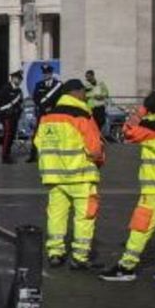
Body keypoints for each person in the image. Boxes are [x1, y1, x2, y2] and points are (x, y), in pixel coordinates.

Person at [100, 90, 155, 283]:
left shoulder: (153, 127)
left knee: (141, 226)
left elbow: (127, 131)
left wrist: (141, 111)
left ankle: (127, 266)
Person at [34, 77, 103, 269]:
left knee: (56, 215)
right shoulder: (82, 116)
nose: (85, 96)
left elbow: (38, 143)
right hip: (81, 175)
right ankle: (80, 257)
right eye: (83, 92)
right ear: (76, 93)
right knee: (85, 217)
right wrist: (99, 161)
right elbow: (95, 149)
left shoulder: (47, 117)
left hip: (54, 177)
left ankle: (55, 253)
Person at [26, 67, 62, 163]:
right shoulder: (39, 85)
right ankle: (33, 155)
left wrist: (52, 107)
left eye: (47, 73)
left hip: (54, 113)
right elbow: (35, 98)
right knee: (37, 134)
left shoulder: (58, 85)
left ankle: (56, 155)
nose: (45, 75)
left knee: (55, 134)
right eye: (44, 74)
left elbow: (60, 99)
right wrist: (43, 107)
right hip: (42, 113)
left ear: (51, 74)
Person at [0, 69, 24, 163]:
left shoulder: (19, 91)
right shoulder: (5, 89)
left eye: (20, 79)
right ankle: (4, 156)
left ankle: (8, 154)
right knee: (7, 135)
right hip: (6, 116)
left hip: (14, 116)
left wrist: (18, 113)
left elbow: (20, 103)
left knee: (12, 135)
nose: (18, 80)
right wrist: (1, 115)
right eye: (17, 78)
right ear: (12, 78)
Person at [84, 68, 111, 133]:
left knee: (101, 122)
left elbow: (106, 93)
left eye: (88, 77)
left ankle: (98, 134)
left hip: (100, 106)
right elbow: (83, 95)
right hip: (90, 107)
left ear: (93, 75)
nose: (87, 78)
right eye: (86, 77)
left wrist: (101, 96)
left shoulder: (100, 83)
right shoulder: (85, 85)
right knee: (92, 123)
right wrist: (87, 98)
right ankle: (94, 135)